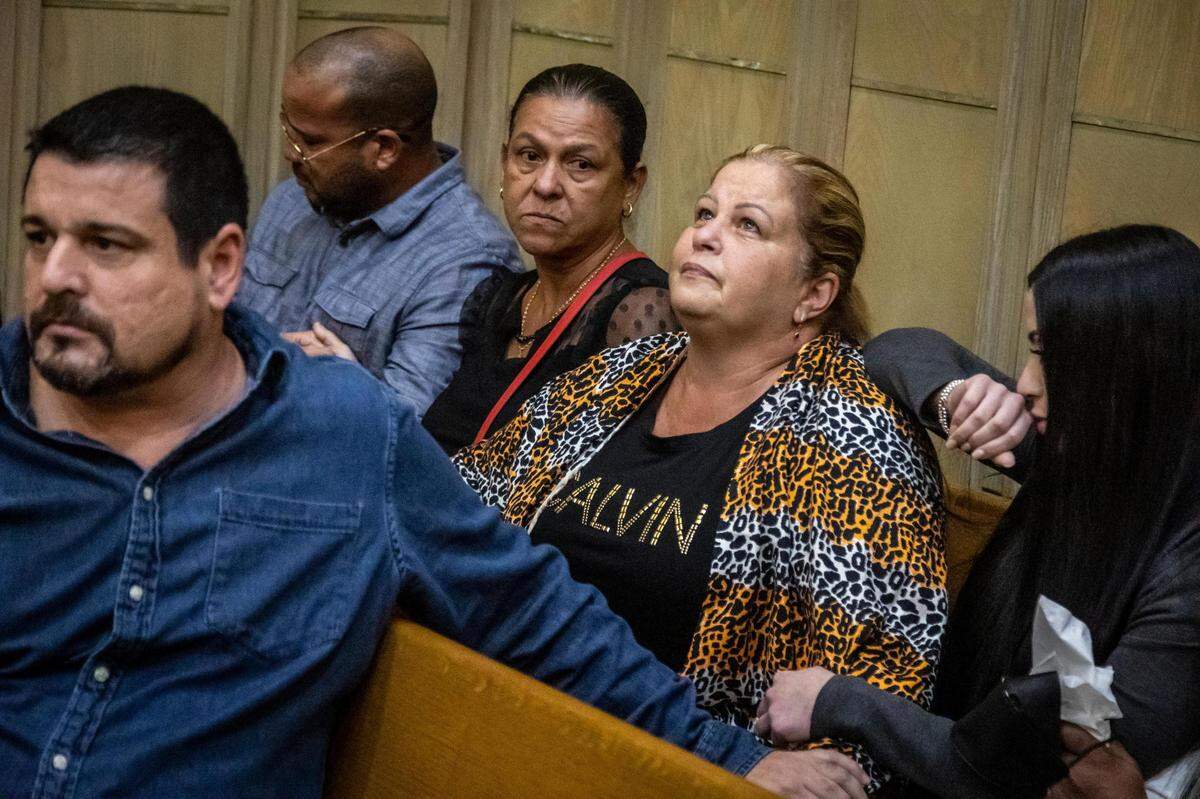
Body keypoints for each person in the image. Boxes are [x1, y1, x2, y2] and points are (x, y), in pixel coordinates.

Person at [0, 86, 884, 799]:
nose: (56, 279)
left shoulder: (339, 435)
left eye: (108, 246)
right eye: (40, 238)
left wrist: (726, 754)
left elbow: (528, 605)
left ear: (222, 266)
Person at [454, 144, 948, 793]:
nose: (707, 235)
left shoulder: (857, 436)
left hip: (693, 777)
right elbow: (463, 513)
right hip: (507, 733)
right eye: (706, 213)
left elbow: (879, 682)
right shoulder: (614, 376)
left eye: (747, 225)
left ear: (814, 292)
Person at [753, 225, 1200, 797]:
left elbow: (1024, 773)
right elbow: (897, 348)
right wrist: (958, 398)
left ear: (1124, 367)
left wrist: (837, 700)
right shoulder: (1092, 457)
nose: (1027, 384)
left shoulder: (1186, 573)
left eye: (1048, 355)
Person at [235, 26, 523, 416]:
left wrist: (346, 390)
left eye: (311, 142)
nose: (291, 153)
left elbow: (413, 441)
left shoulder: (465, 261)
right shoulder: (293, 199)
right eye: (289, 130)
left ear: (384, 148)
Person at [422, 64, 677, 453]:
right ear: (504, 162)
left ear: (631, 185)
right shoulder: (500, 298)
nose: (544, 185)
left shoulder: (639, 311)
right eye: (530, 156)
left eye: (581, 164)